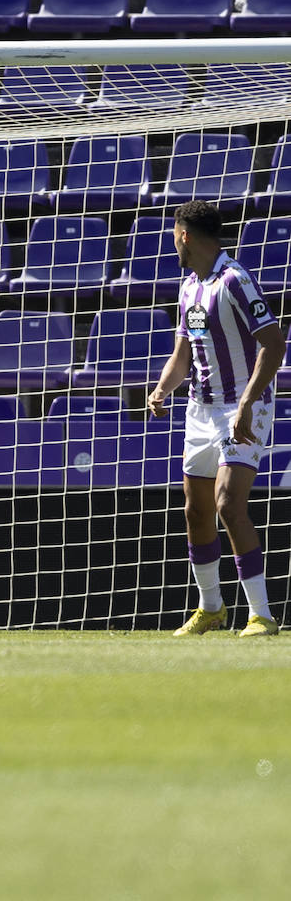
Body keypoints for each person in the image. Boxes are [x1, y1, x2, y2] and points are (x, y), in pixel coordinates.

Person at [148, 200, 284, 637]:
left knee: (228, 503)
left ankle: (261, 614)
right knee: (197, 511)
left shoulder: (235, 280)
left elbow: (275, 344)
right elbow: (183, 353)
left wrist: (247, 401)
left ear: (184, 234)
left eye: (174, 233)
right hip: (200, 408)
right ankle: (211, 609)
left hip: (243, 407)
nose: (173, 241)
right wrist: (162, 388)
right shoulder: (189, 287)